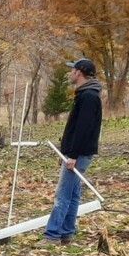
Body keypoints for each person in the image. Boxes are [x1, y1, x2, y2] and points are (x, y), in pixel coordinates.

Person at [42, 57, 103, 244]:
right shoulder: (85, 94)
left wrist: (73, 155)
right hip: (76, 153)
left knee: (62, 195)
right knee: (73, 194)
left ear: (79, 72)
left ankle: (52, 235)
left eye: (72, 70)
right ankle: (67, 232)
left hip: (80, 154)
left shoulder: (88, 96)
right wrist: (66, 152)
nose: (70, 73)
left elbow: (83, 129)